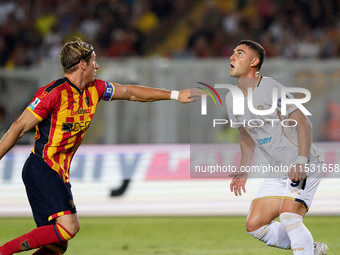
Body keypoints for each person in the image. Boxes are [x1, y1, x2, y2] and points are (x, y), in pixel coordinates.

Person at [0, 38, 202, 255]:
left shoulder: (95, 89)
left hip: (58, 173)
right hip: (42, 167)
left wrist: (174, 95)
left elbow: (130, 92)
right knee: (69, 227)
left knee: (57, 245)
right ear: (82, 64)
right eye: (94, 61)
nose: (97, 65)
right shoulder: (53, 93)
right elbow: (18, 128)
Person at [227, 40, 328, 255]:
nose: (232, 57)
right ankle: (310, 249)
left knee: (290, 217)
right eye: (233, 53)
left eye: (240, 53)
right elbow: (245, 135)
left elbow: (303, 122)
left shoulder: (270, 87)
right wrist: (244, 169)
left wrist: (301, 161)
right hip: (277, 170)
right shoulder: (230, 98)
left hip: (304, 162)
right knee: (255, 225)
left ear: (254, 62)